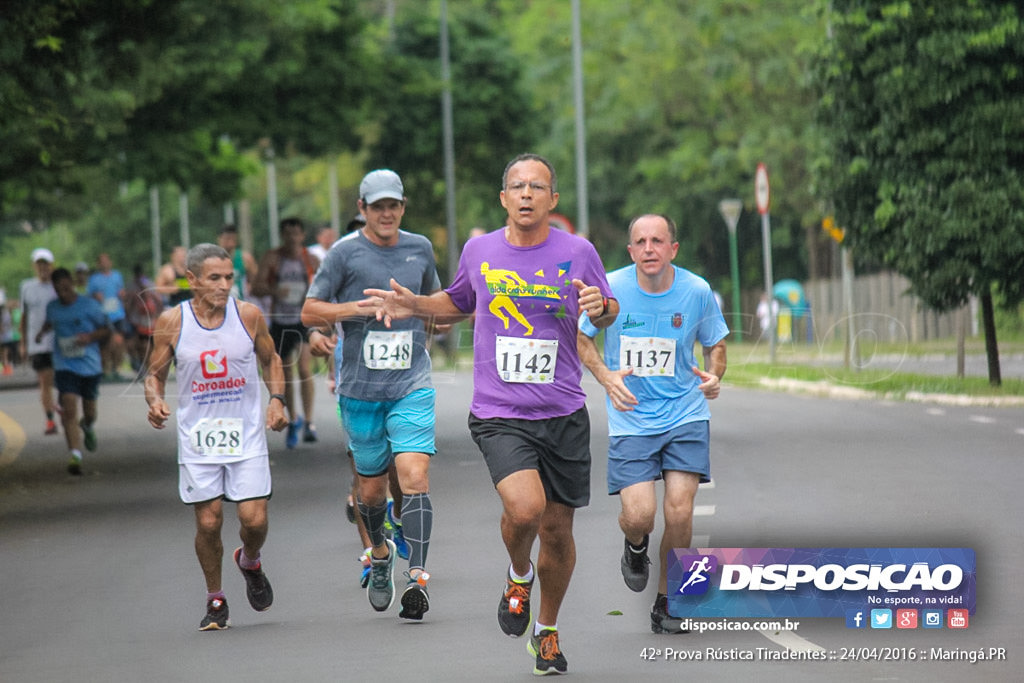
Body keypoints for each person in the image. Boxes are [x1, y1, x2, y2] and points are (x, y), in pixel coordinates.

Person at [363, 153, 618, 675]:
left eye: (537, 186)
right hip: (500, 411)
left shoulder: (579, 251)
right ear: (504, 198)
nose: (527, 194)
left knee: (559, 531)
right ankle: (518, 574)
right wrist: (415, 305)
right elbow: (458, 301)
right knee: (525, 510)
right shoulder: (480, 251)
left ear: (553, 199)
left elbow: (608, 307)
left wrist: (601, 306)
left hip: (564, 412)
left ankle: (545, 632)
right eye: (517, 186)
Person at [576, 213, 728, 634]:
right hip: (631, 418)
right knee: (640, 514)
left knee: (679, 511)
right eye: (640, 242)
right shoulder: (610, 289)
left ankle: (668, 601)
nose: (649, 249)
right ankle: (635, 544)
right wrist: (606, 379)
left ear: (672, 249)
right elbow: (582, 337)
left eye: (657, 241)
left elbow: (717, 345)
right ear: (631, 251)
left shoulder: (696, 290)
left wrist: (716, 375)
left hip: (685, 414)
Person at [302, 169, 439, 621]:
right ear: (362, 209)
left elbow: (439, 304)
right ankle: (380, 553)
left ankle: (417, 574)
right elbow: (309, 310)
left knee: (414, 475)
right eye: (377, 206)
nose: (386, 213)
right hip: (360, 391)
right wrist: (356, 309)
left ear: (403, 207)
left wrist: (418, 306)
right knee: (373, 492)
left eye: (393, 205)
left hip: (411, 384)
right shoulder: (343, 254)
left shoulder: (419, 248)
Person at [144, 243, 288, 631]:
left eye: (229, 277)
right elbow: (154, 373)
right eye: (214, 278)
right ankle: (216, 598)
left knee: (253, 519)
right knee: (208, 522)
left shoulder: (248, 315)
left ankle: (250, 559)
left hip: (247, 437)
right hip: (199, 440)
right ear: (191, 280)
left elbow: (271, 359)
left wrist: (276, 399)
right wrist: (155, 401)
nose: (224, 285)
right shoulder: (172, 322)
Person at [251, 217, 319, 448]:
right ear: (282, 235)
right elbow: (256, 287)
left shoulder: (310, 259)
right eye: (287, 234)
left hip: (304, 319)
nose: (292, 238)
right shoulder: (273, 258)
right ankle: (294, 419)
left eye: (296, 233)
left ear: (302, 235)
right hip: (280, 321)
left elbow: (326, 287)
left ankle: (309, 421)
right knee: (287, 373)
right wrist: (275, 290)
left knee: (304, 368)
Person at [37, 268, 111, 474]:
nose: (63, 293)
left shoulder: (90, 305)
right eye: (58, 290)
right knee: (68, 405)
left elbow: (106, 329)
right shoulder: (52, 307)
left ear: (72, 283)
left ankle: (87, 426)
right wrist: (41, 333)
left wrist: (90, 337)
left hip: (89, 365)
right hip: (65, 365)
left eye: (66, 288)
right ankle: (75, 455)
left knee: (90, 412)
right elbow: (50, 322)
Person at [19, 248, 59, 435]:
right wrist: (23, 343)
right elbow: (24, 317)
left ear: (52, 265)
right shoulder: (26, 287)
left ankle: (61, 407)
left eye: (46, 263)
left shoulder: (58, 286)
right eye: (39, 264)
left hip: (59, 342)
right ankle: (50, 418)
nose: (43, 267)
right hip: (38, 344)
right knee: (44, 381)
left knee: (59, 380)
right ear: (34, 266)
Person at [87, 253, 129, 380]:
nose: (105, 263)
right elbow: (89, 296)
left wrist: (122, 294)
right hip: (103, 315)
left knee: (119, 341)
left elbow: (121, 291)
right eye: (102, 261)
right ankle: (105, 370)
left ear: (110, 262)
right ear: (98, 264)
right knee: (105, 344)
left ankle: (117, 368)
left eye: (107, 261)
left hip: (117, 314)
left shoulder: (117, 276)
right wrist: (96, 296)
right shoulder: (94, 279)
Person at [217, 224, 259, 302]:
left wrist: (251, 287)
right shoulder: (211, 260)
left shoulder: (245, 258)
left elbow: (257, 282)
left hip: (240, 303)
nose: (230, 243)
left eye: (233, 239)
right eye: (227, 239)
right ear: (219, 239)